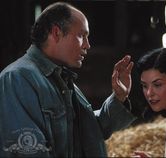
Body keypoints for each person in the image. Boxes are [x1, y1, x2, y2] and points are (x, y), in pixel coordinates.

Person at [0, 2, 136, 157]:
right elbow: (28, 151)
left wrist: (119, 96)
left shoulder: (61, 79)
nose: (87, 45)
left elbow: (90, 131)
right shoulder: (18, 78)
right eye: (82, 35)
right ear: (57, 33)